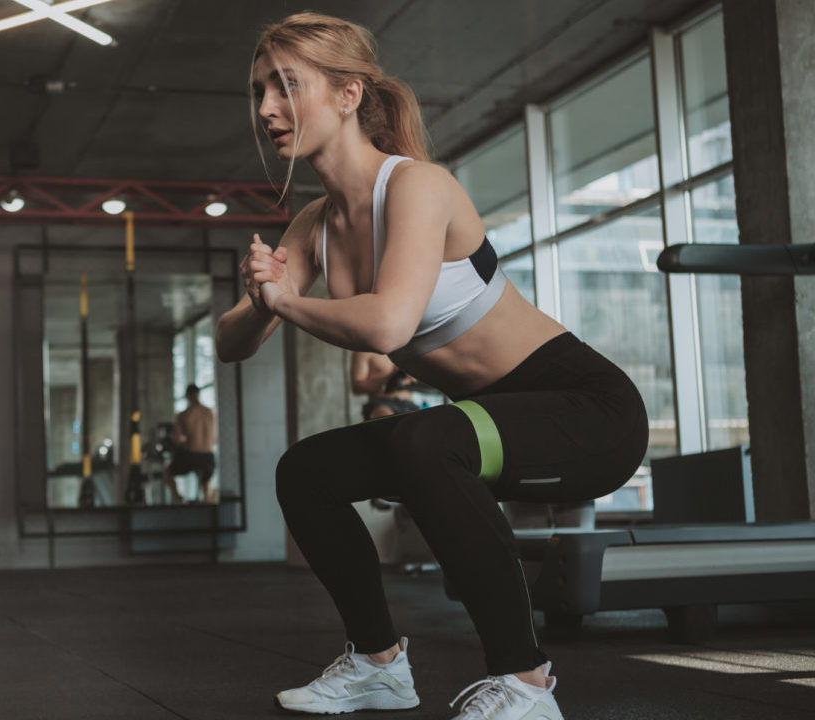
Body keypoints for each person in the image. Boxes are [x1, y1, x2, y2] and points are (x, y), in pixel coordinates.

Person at [214, 12, 648, 720]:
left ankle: (527, 685)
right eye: (261, 89)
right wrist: (264, 301)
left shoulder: (417, 186)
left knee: (427, 439)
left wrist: (287, 303)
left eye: (286, 86)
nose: (266, 108)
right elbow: (233, 344)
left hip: (587, 413)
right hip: (488, 423)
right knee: (307, 471)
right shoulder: (316, 224)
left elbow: (389, 323)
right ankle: (378, 664)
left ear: (349, 94)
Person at [162, 384, 218, 503]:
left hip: (192, 455)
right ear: (198, 394)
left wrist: (186, 442)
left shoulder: (183, 415)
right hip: (208, 456)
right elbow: (214, 438)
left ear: (187, 397)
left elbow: (176, 440)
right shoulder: (211, 413)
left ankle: (179, 499)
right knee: (206, 488)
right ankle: (209, 504)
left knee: (167, 472)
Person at [351, 351, 419, 420]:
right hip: (381, 404)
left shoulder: (407, 347)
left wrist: (413, 377)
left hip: (409, 404)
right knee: (384, 416)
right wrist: (391, 377)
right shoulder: (363, 352)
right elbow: (357, 387)